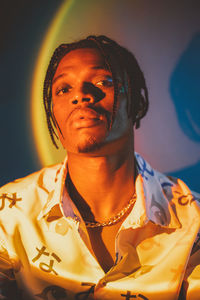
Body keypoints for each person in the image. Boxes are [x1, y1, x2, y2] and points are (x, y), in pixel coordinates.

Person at [0, 35, 199, 300]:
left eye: (103, 82)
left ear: (138, 103)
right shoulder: (8, 215)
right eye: (63, 89)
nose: (81, 94)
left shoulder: (193, 220)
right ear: (53, 112)